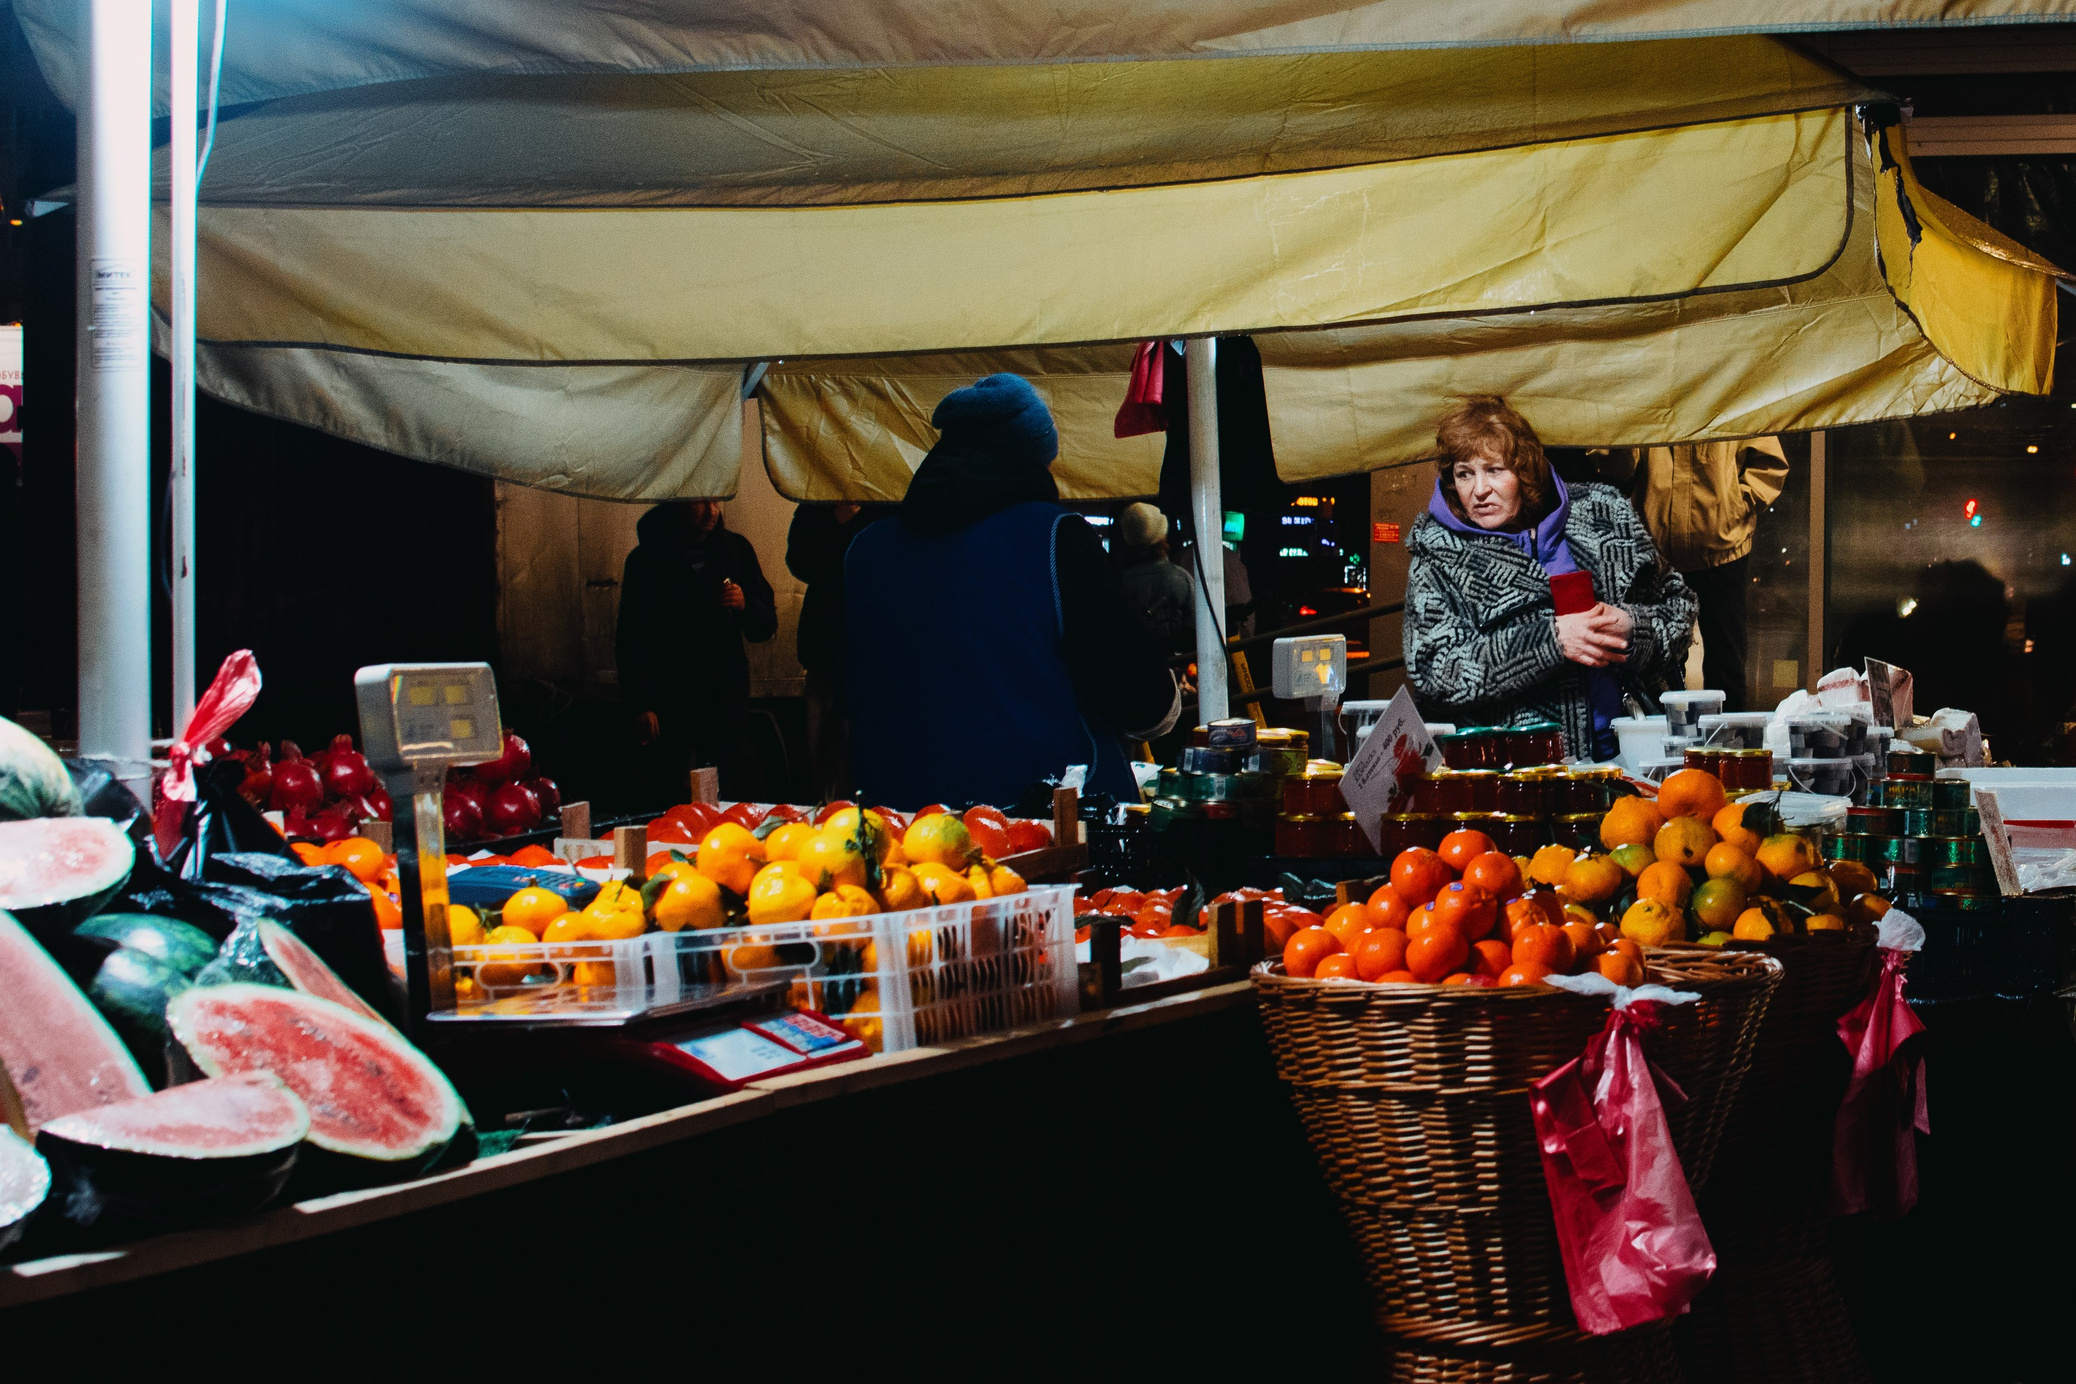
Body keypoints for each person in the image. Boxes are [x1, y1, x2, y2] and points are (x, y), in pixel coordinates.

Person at [844, 374, 1179, 809]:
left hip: (900, 823)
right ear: (1031, 461)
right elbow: (1142, 700)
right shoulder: (1057, 538)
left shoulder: (867, 550)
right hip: (1039, 824)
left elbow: (854, 689)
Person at [1403, 397, 1696, 762]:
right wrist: (1549, 642)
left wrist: (1635, 630)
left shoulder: (1603, 512)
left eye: (1494, 470)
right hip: (1518, 772)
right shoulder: (1439, 554)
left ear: (1524, 470)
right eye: (1465, 474)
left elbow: (1679, 608)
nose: (1479, 490)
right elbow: (1436, 672)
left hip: (1637, 754)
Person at [1596, 438, 1788, 711]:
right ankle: (1662, 746)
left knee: (1726, 667)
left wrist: (1735, 504)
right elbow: (1611, 466)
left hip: (1721, 550)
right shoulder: (1645, 394)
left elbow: (1770, 462)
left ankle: (1729, 749)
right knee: (1660, 669)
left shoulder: (1728, 393)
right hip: (1657, 553)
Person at [616, 499, 777, 802]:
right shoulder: (647, 559)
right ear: (679, 504)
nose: (711, 511)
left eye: (716, 501)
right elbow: (632, 634)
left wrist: (745, 605)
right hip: (670, 698)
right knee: (668, 792)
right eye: (701, 502)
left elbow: (765, 625)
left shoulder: (735, 551)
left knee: (728, 788)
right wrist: (641, 702)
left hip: (725, 697)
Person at [786, 501, 889, 799]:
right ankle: (828, 811)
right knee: (825, 749)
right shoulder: (816, 504)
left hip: (874, 649)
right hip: (826, 647)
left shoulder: (888, 499)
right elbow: (800, 562)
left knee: (869, 745)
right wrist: (836, 523)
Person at [1112, 502, 1194, 659]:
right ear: (1162, 536)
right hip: (1176, 673)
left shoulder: (1118, 584)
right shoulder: (1180, 579)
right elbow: (1197, 628)